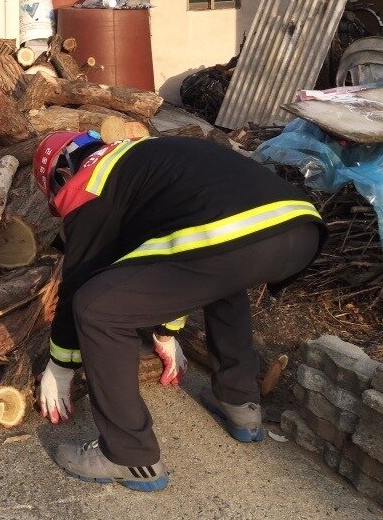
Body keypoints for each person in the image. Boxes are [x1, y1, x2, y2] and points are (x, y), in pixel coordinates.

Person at [32, 130, 325, 491]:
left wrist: (60, 367)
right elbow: (174, 263)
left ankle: (129, 455)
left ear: (61, 175)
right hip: (300, 229)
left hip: (232, 237)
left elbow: (80, 277)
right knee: (224, 280)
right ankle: (239, 402)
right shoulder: (143, 156)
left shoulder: (88, 182)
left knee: (96, 309)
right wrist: (167, 333)